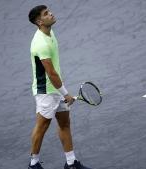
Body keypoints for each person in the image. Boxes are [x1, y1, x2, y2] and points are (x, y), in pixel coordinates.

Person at [28, 5, 91, 169]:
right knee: (42, 126)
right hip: (46, 92)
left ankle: (71, 163)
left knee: (64, 123)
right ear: (39, 21)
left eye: (49, 11)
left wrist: (62, 92)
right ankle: (33, 164)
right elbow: (51, 73)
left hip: (57, 87)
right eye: (46, 14)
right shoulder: (40, 43)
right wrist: (66, 94)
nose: (51, 14)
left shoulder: (50, 32)